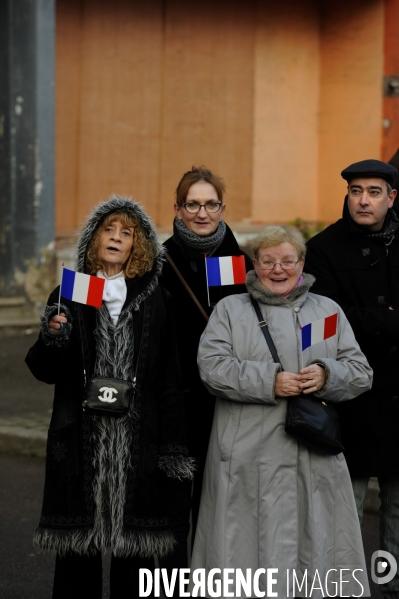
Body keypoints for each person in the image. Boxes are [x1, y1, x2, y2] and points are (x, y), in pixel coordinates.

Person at [25, 196, 194, 599]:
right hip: (80, 437)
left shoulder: (156, 300)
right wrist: (53, 336)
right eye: (108, 229)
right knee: (77, 554)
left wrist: (172, 449)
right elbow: (42, 369)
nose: (116, 238)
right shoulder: (69, 291)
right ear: (93, 238)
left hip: (138, 441)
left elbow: (168, 379)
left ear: (139, 245)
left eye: (127, 232)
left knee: (133, 559)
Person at [191, 225, 372, 598]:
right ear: (254, 265)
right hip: (244, 456)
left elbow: (359, 372)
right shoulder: (230, 310)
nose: (278, 269)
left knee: (312, 547)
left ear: (301, 264)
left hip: (312, 455)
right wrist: (268, 380)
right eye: (269, 261)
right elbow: (211, 368)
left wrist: (326, 374)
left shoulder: (326, 311)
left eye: (288, 261)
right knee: (243, 551)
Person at [305, 159, 399, 599]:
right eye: (356, 190)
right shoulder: (323, 248)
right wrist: (387, 320)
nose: (364, 199)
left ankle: (390, 582)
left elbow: (347, 318)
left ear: (391, 197)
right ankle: (344, 586)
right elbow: (324, 323)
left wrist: (366, 320)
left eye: (374, 191)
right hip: (351, 400)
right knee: (346, 506)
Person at [160, 165, 253, 542]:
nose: (202, 213)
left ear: (223, 207)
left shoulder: (244, 263)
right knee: (175, 512)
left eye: (211, 204)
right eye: (193, 204)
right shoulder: (157, 261)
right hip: (176, 401)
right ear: (178, 208)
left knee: (224, 512)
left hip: (229, 402)